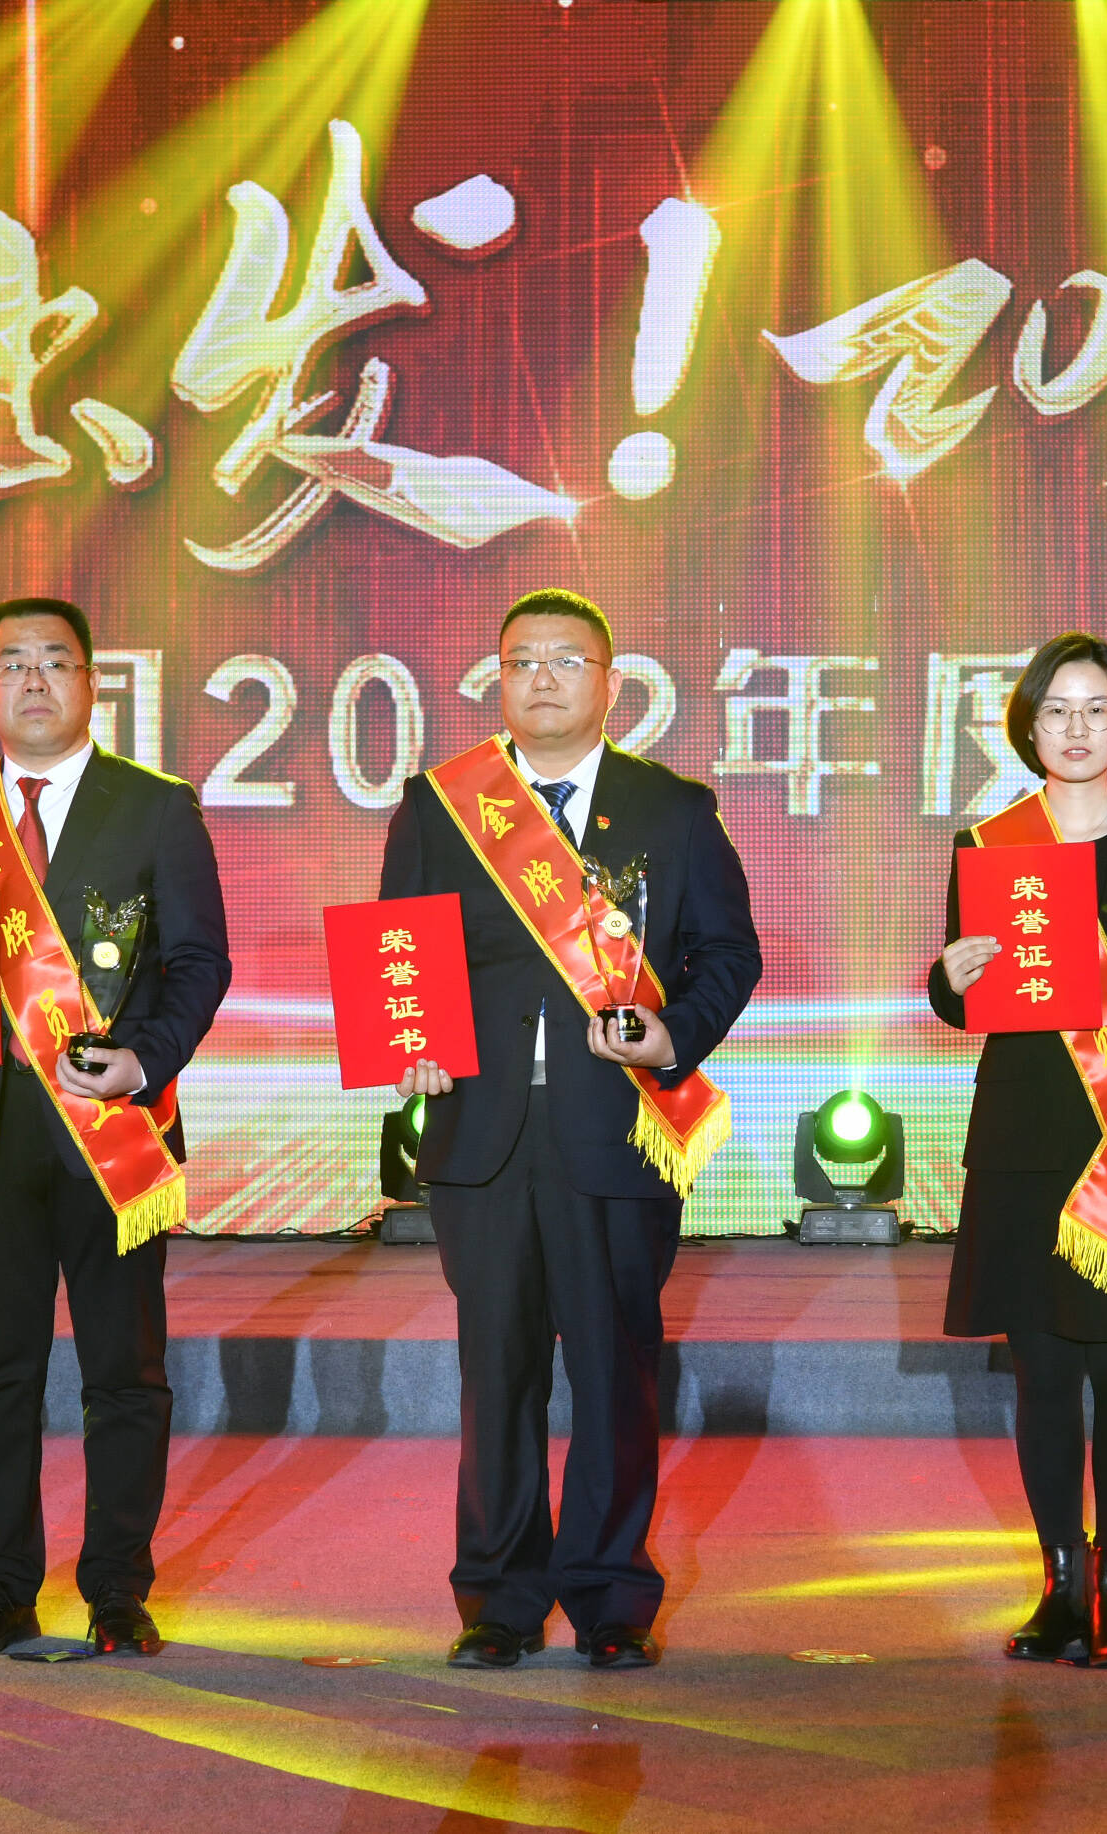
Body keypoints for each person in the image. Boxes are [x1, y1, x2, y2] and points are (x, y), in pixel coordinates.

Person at [379, 588, 762, 1671]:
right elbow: (397, 951)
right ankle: (497, 1599)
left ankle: (609, 1596)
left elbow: (729, 953)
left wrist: (673, 1034)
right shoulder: (440, 806)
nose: (540, 678)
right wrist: (408, 1039)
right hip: (482, 1134)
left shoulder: (671, 809)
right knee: (494, 1372)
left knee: (613, 1370)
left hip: (618, 1129)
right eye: (520, 661)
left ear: (610, 682)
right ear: (498, 679)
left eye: (565, 659)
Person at [0, 596, 230, 1659]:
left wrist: (145, 1058)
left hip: (113, 1131)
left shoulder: (157, 807)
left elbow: (199, 962)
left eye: (55, 661)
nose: (33, 679)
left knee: (125, 1372)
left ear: (92, 682)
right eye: (11, 662)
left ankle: (116, 1589)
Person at [928, 633, 1107, 1670]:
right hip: (1025, 1136)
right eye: (1056, 709)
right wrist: (950, 976)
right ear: (1027, 726)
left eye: (1096, 708)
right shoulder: (990, 843)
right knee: (1045, 1373)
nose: (1076, 728)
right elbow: (963, 997)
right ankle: (1059, 1582)